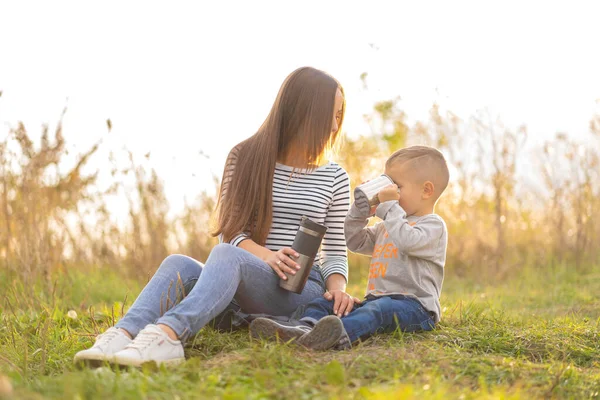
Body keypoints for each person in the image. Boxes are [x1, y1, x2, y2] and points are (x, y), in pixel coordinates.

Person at [74, 66, 355, 366]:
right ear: (305, 111)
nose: (335, 125)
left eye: (340, 115)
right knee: (178, 263)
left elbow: (335, 248)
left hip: (298, 287)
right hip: (248, 277)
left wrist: (337, 291)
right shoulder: (245, 156)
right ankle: (122, 335)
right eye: (331, 113)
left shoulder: (334, 176)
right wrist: (267, 257)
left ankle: (168, 335)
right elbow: (230, 234)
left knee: (223, 255)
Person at [250, 145, 449, 350]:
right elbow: (355, 241)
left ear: (426, 190)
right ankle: (302, 329)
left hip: (416, 308)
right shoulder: (388, 226)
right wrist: (359, 211)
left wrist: (390, 207)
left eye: (396, 186)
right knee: (326, 303)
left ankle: (335, 336)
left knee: (378, 311)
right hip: (376, 300)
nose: (389, 192)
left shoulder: (433, 226)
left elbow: (407, 241)